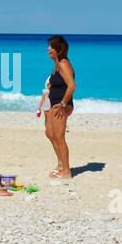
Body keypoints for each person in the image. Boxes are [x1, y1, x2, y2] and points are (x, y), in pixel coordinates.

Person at [43, 35, 76, 178]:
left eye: (51, 46)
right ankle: (61, 164)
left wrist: (62, 104)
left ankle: (66, 171)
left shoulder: (63, 63)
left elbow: (72, 86)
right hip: (53, 104)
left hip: (61, 105)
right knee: (50, 133)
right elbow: (60, 83)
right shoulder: (56, 65)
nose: (48, 49)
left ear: (58, 49)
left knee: (59, 137)